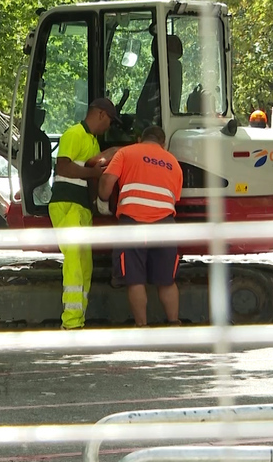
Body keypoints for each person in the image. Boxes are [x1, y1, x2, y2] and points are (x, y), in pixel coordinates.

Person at [96, 125, 183, 326]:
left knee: (135, 279)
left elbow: (107, 180)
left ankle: (142, 326)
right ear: (163, 144)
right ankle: (173, 323)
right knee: (167, 281)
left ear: (138, 139)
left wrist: (102, 201)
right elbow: (173, 198)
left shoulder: (126, 152)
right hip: (165, 226)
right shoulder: (173, 163)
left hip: (133, 223)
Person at [50, 97, 120, 330]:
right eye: (109, 121)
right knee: (74, 264)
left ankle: (77, 319)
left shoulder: (91, 142)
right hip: (67, 204)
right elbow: (63, 166)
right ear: (100, 114)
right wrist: (95, 175)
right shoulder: (74, 134)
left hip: (80, 208)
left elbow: (90, 172)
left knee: (84, 265)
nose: (109, 126)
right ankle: (71, 323)